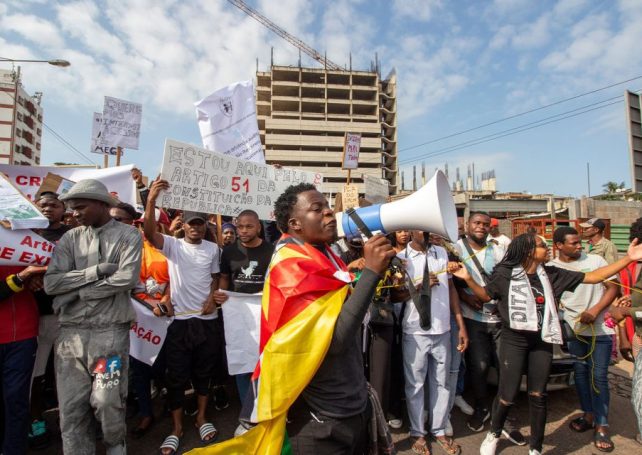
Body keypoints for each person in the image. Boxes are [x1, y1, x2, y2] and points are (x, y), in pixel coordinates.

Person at [452, 233, 642, 455]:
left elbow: (594, 276)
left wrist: (628, 258)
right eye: (543, 246)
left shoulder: (552, 274)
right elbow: (486, 296)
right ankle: (494, 433)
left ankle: (536, 447)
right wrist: (467, 278)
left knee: (538, 395)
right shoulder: (505, 274)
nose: (548, 248)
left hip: (542, 342)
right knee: (507, 394)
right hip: (514, 341)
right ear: (529, 251)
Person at [44, 179, 143, 455]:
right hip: (70, 335)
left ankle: (115, 445)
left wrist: (77, 293)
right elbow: (52, 284)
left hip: (109, 333)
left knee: (107, 400)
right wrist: (96, 271)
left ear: (101, 205)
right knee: (71, 409)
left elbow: (125, 277)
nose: (74, 214)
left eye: (80, 207)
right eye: (71, 209)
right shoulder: (70, 238)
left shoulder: (128, 236)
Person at [144, 179, 222, 455]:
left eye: (200, 223)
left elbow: (215, 277)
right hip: (179, 324)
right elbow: (149, 233)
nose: (195, 227)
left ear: (205, 226)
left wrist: (213, 298)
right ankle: (176, 429)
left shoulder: (213, 250)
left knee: (204, 373)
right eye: (191, 223)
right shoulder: (172, 246)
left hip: (206, 323)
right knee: (175, 377)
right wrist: (151, 200)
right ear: (184, 225)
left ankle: (201, 418)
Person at [391, 230, 468, 455]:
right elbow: (394, 296)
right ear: (412, 230)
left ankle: (439, 429)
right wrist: (418, 287)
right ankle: (417, 432)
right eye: (420, 228)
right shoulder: (400, 259)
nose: (425, 233)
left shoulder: (442, 253)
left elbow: (451, 288)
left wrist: (460, 324)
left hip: (443, 328)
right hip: (415, 331)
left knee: (442, 382)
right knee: (415, 384)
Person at [549, 226, 618, 451]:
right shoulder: (552, 268)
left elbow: (612, 288)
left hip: (599, 329)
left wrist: (596, 310)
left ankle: (602, 425)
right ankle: (588, 415)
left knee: (598, 376)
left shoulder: (596, 260)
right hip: (573, 329)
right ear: (559, 246)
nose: (580, 246)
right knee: (580, 373)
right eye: (574, 243)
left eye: (580, 242)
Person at [212, 210, 274, 404]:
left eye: (249, 226)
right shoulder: (229, 252)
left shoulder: (271, 251)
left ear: (258, 227)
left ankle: (266, 406)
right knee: (241, 359)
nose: (244, 231)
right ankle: (247, 408)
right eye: (240, 226)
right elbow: (224, 278)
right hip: (237, 313)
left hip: (264, 313)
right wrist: (220, 295)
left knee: (266, 361)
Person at [28, 192, 71, 449]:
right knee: (36, 374)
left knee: (67, 374)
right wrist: (26, 277)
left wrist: (40, 272)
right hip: (34, 317)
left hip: (65, 315)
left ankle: (69, 420)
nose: (48, 209)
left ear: (63, 208)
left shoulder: (72, 235)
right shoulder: (27, 234)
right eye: (43, 205)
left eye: (54, 205)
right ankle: (36, 421)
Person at [0, 264, 46, 455]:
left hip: (23, 333)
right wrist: (22, 277)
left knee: (16, 400)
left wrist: (37, 279)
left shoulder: (23, 237)